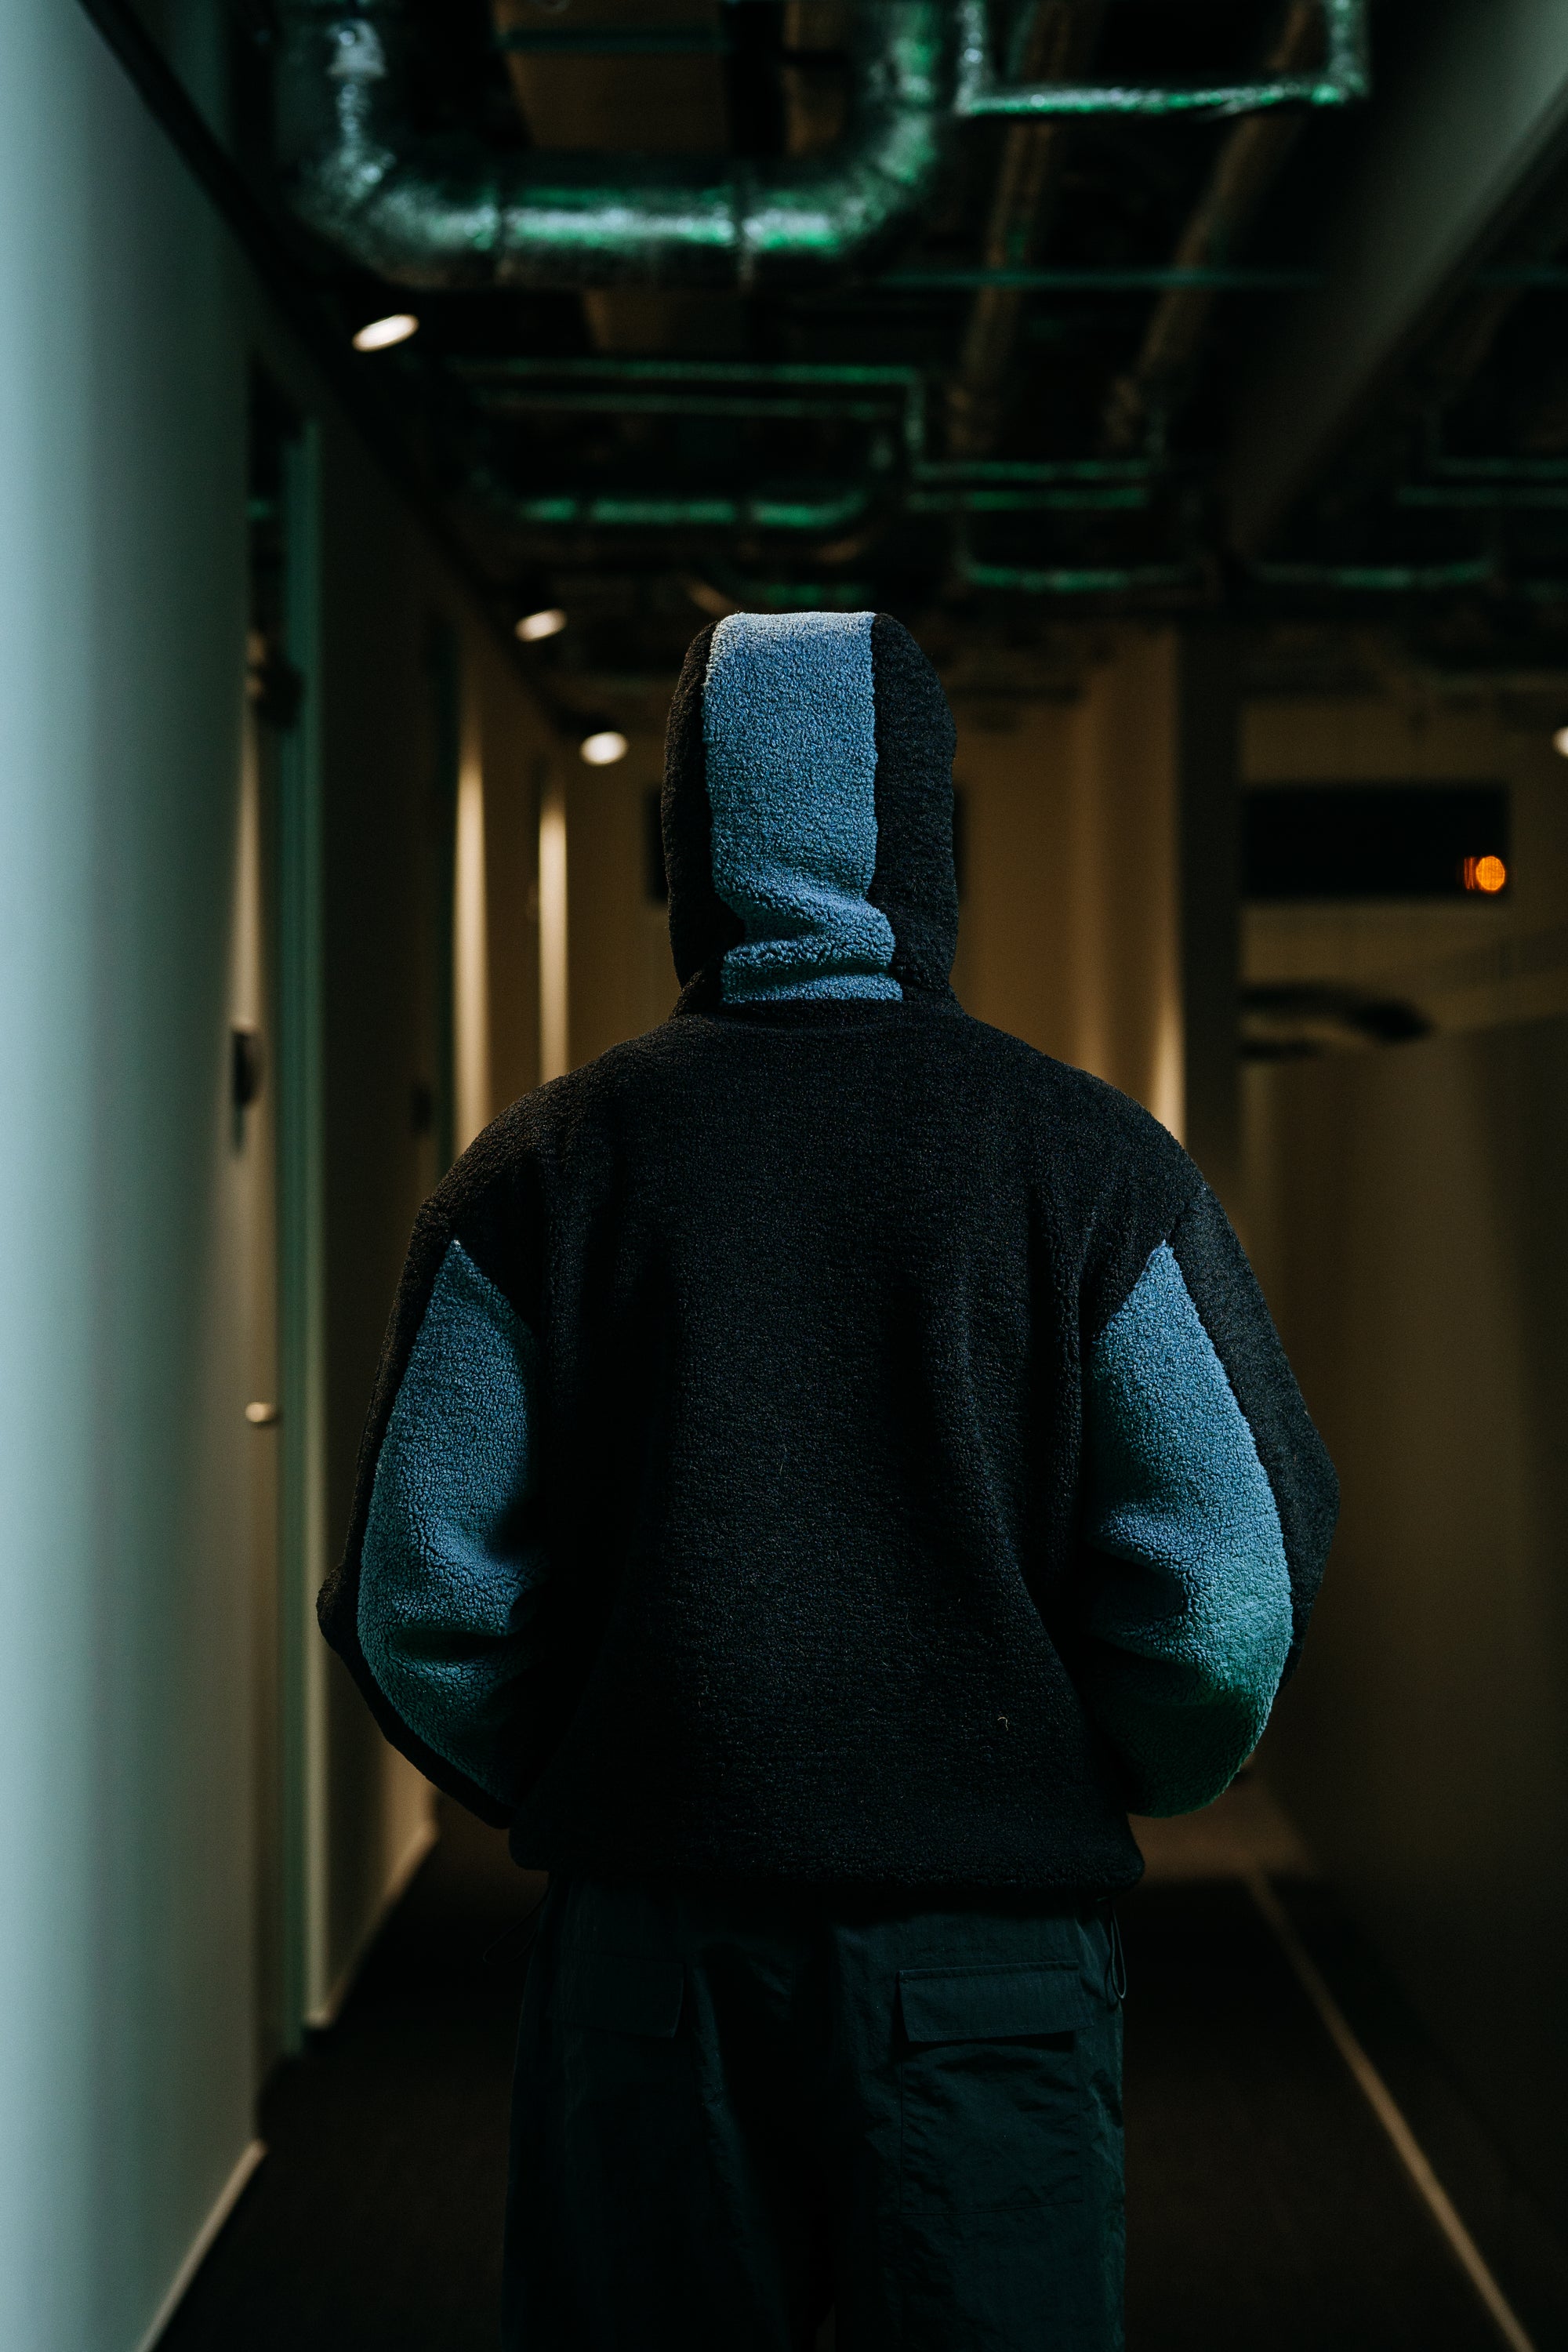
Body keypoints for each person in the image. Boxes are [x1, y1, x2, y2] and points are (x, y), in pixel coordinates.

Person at [319, 610, 1338, 2351]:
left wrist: (607, 1760)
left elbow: (425, 1597)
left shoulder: (543, 1171)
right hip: (986, 1969)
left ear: (688, 843)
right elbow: (1226, 1596)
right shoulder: (1090, 1162)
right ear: (928, 837)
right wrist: (1099, 1769)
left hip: (649, 1961)